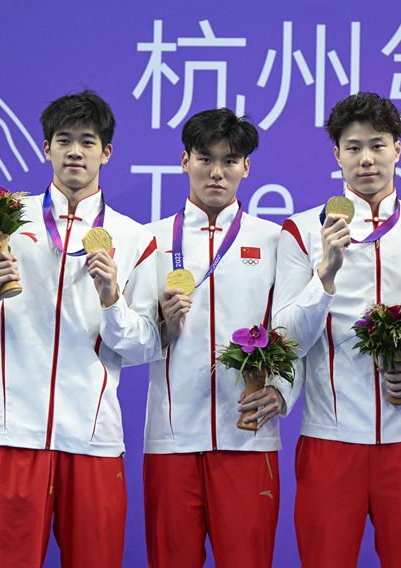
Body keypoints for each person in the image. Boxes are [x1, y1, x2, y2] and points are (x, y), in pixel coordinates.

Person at [0, 90, 161, 567]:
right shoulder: (4, 220)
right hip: (16, 434)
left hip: (93, 437)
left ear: (107, 152)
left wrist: (112, 301)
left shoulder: (134, 238)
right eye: (64, 140)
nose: (75, 152)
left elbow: (146, 344)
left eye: (88, 141)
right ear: (46, 148)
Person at [272, 92, 401, 567]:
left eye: (377, 145)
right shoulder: (301, 231)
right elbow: (286, 337)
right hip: (330, 440)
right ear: (337, 154)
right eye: (353, 147)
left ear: (398, 149)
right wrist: (325, 276)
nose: (366, 159)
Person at [141, 108, 282, 568]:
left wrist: (283, 390)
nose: (217, 172)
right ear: (185, 161)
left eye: (230, 160)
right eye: (205, 158)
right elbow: (130, 340)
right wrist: (161, 327)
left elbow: (292, 331)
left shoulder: (274, 241)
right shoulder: (150, 241)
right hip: (171, 438)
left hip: (248, 435)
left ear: (247, 167)